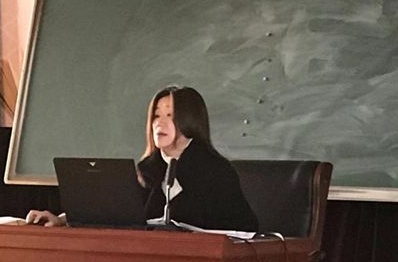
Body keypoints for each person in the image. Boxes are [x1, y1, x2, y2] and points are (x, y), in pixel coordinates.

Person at [27, 86, 259, 232]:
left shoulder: (215, 171)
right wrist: (62, 220)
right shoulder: (147, 170)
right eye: (156, 116)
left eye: (170, 115)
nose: (159, 123)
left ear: (190, 120)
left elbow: (243, 229)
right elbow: (113, 213)